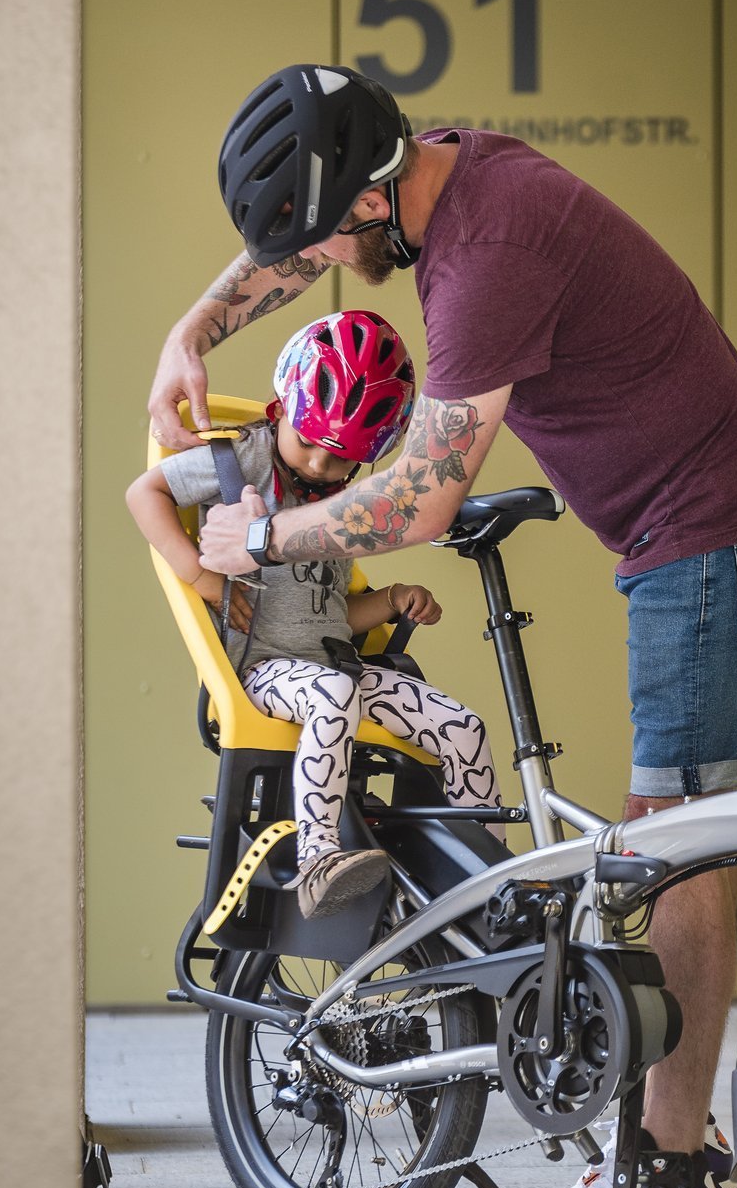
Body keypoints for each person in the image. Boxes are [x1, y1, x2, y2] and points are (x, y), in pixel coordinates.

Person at [148, 64, 737, 1188]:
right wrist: (192, 329)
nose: (322, 260)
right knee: (689, 835)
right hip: (702, 525)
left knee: (675, 833)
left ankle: (660, 1183)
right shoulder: (443, 175)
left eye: (326, 234)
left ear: (367, 202)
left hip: (716, 533)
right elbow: (302, 254)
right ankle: (674, 1128)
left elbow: (416, 497)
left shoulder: (486, 258)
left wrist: (261, 535)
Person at [131, 306, 501, 920]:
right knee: (333, 692)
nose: (319, 467)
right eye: (308, 443)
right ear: (281, 410)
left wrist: (388, 602)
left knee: (462, 727)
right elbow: (144, 493)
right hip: (266, 673)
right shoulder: (240, 460)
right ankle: (318, 861)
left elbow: (329, 617)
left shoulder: (334, 505)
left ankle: (482, 883)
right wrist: (202, 577)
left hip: (336, 668)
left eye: (342, 460)